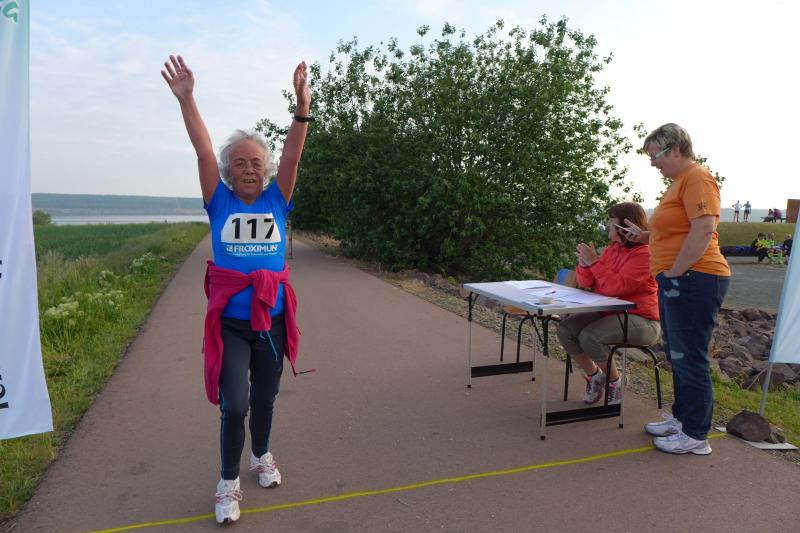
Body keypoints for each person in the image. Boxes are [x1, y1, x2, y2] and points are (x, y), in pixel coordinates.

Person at [162, 54, 311, 524]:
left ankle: (261, 456)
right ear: (228, 172)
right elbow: (204, 151)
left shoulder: (277, 200)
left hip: (272, 320)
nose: (248, 168)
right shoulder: (220, 202)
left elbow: (293, 155)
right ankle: (227, 482)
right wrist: (187, 99)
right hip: (231, 325)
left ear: (266, 170)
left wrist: (302, 108)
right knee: (235, 405)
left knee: (265, 399)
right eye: (239, 163)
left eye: (256, 162)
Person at [620, 123, 730, 455]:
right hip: (681, 278)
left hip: (695, 278)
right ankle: (683, 420)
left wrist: (676, 272)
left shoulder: (698, 178)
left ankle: (696, 434)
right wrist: (645, 237)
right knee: (678, 354)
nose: (653, 163)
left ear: (676, 150)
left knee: (689, 356)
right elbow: (678, 230)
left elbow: (704, 228)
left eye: (656, 155)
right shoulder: (680, 182)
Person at [556, 202, 660, 405]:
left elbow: (616, 287)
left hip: (642, 320)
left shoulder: (645, 254)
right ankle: (595, 377)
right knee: (566, 329)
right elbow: (587, 283)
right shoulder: (613, 250)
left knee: (590, 336)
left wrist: (594, 263)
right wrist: (584, 265)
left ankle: (615, 382)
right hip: (609, 312)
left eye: (612, 221)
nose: (608, 225)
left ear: (624, 226)